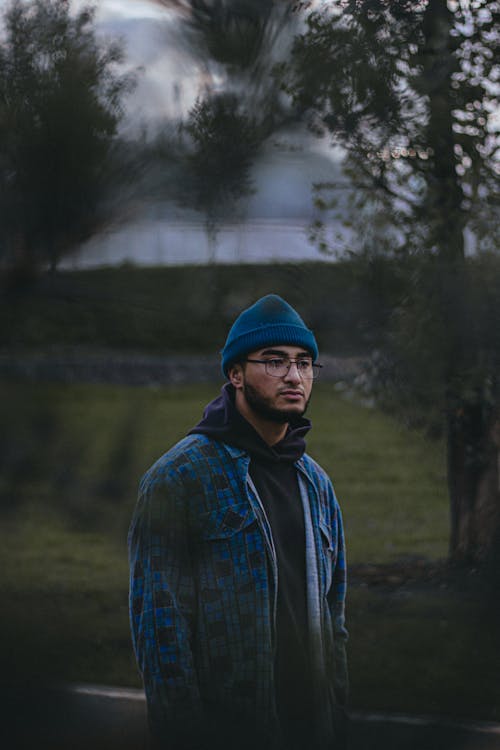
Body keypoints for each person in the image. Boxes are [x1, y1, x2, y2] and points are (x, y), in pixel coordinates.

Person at [128, 294, 348, 750]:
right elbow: (161, 630)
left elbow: (334, 618)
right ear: (235, 374)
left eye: (305, 363)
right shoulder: (180, 479)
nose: (294, 376)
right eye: (274, 361)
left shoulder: (316, 484)